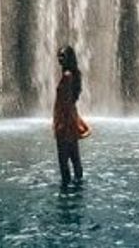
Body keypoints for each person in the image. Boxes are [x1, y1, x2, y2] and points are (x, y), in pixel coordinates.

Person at [52, 45, 90, 185]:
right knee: (75, 157)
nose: (60, 59)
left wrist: (61, 124)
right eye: (59, 56)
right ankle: (78, 186)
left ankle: (66, 189)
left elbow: (65, 101)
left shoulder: (67, 76)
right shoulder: (74, 75)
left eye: (63, 56)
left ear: (69, 58)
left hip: (65, 120)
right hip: (71, 118)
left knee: (63, 159)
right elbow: (71, 100)